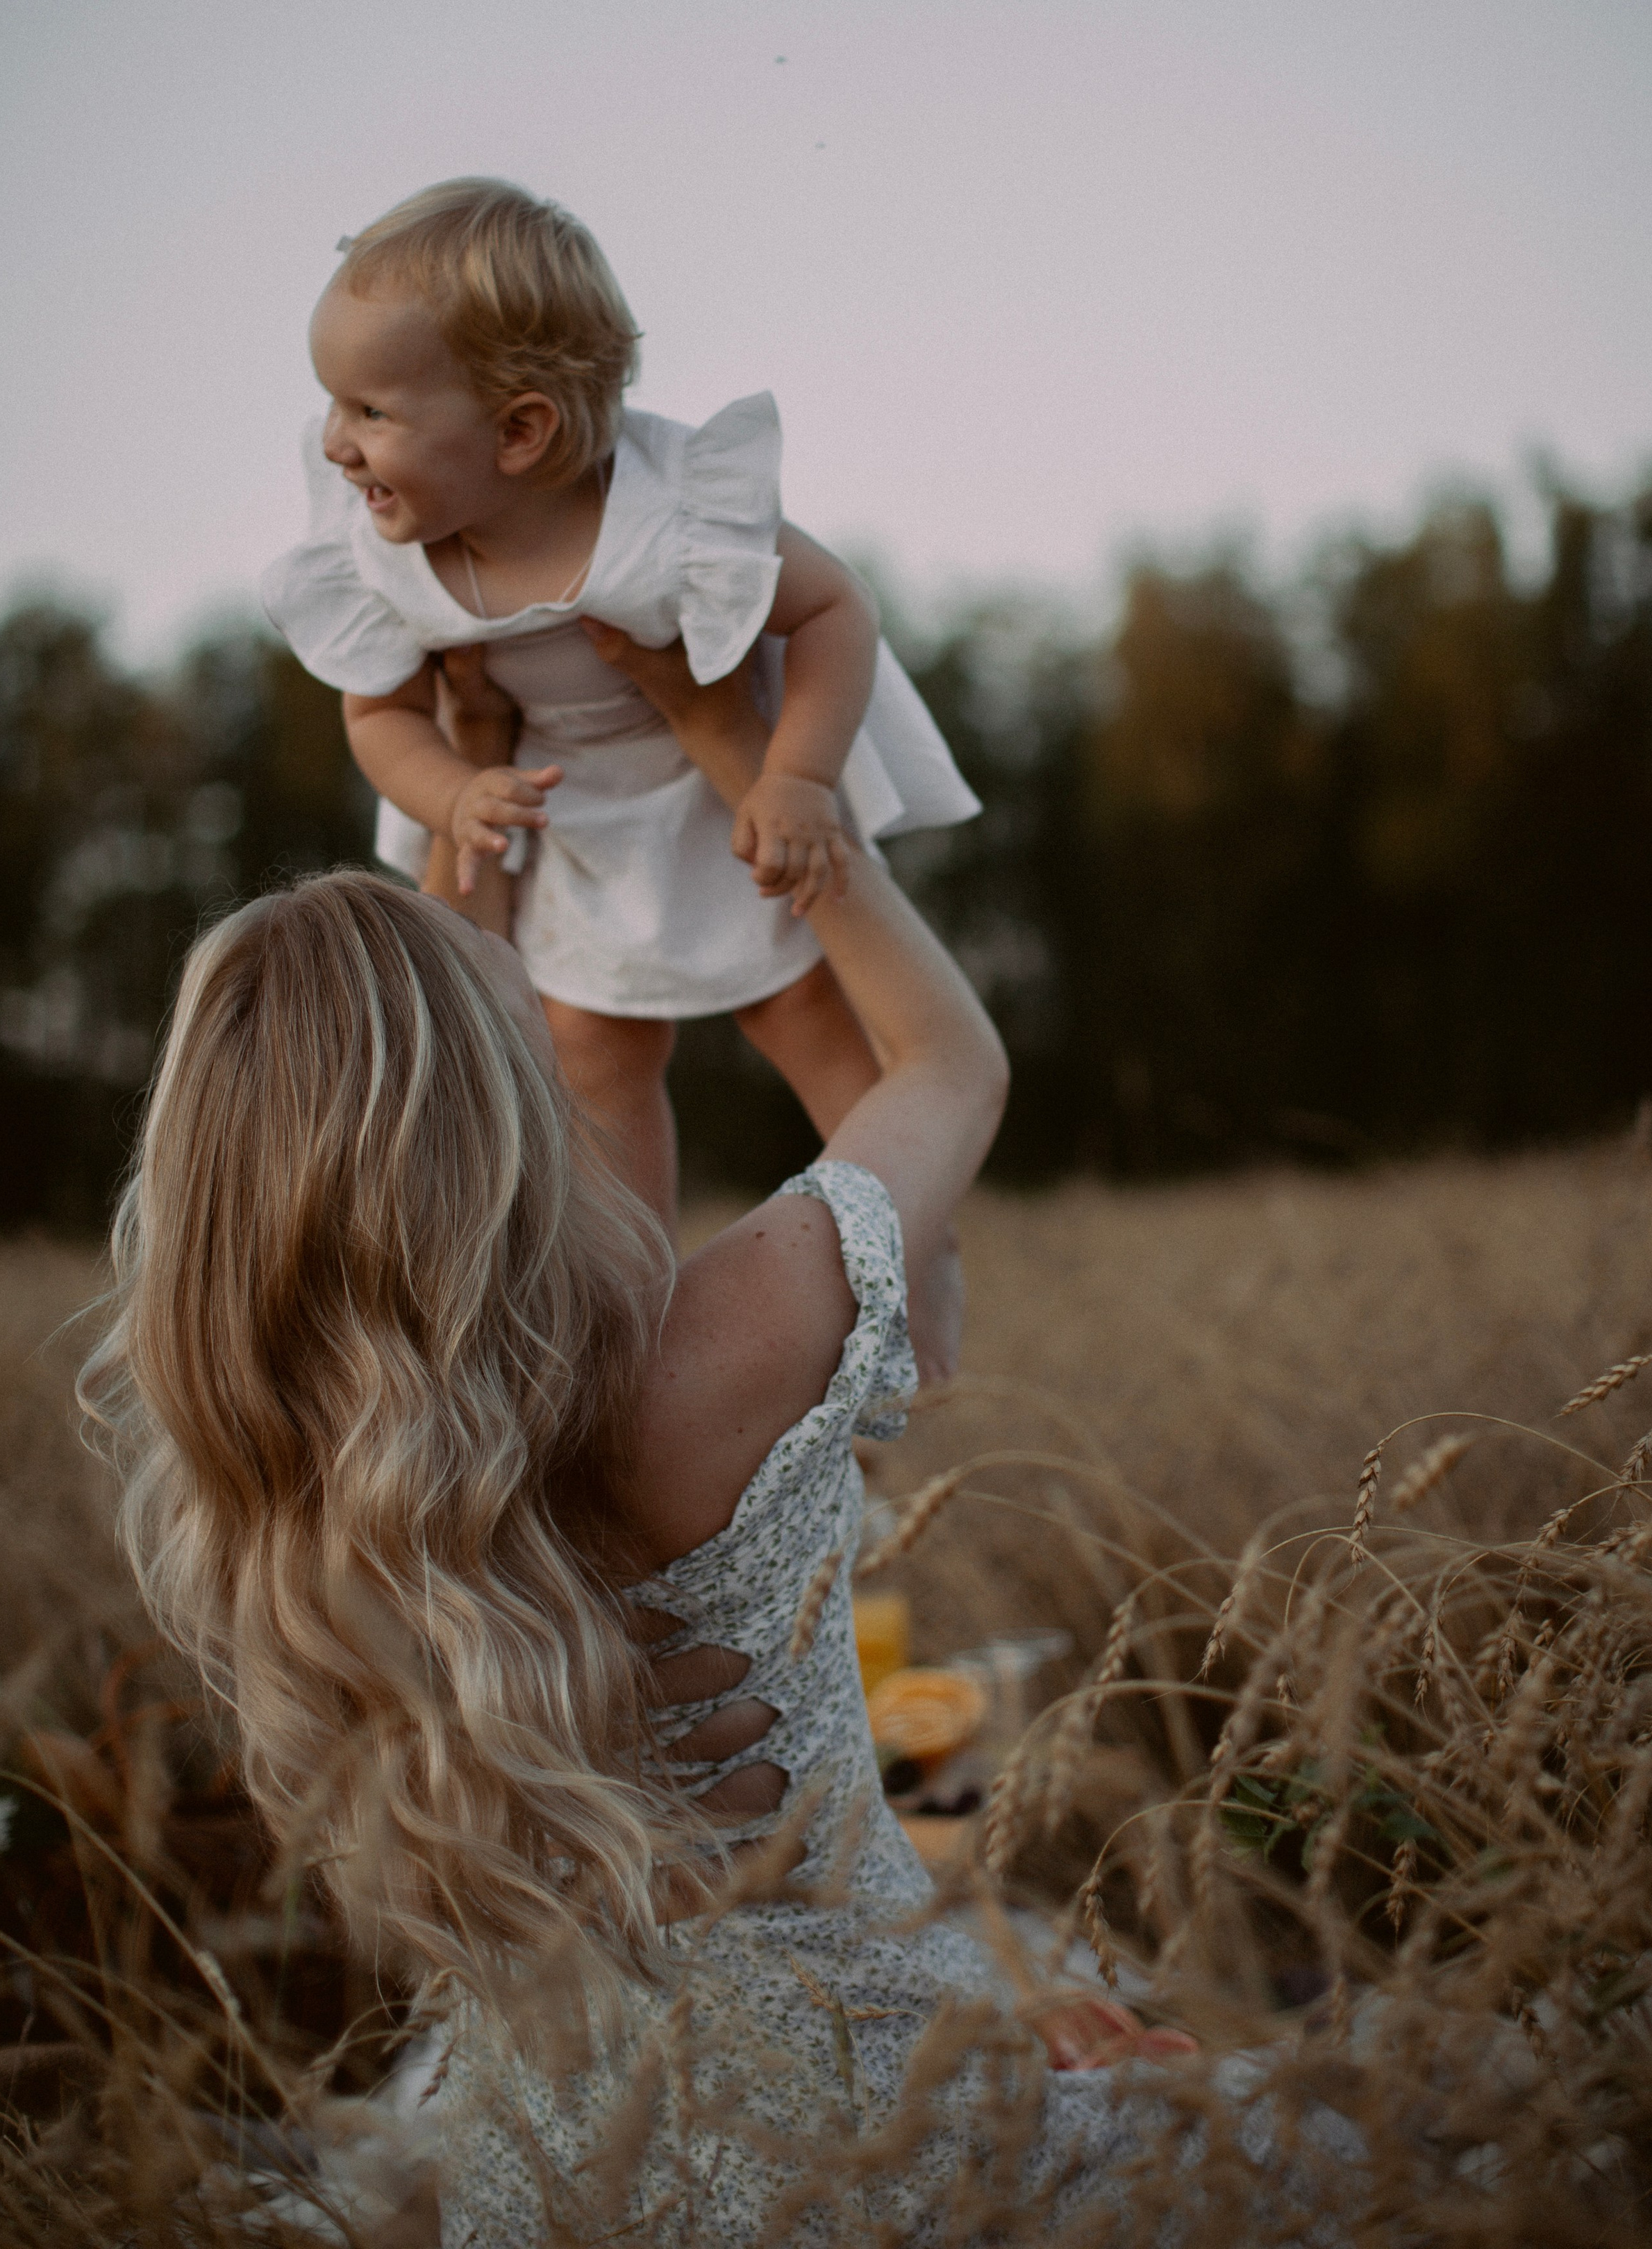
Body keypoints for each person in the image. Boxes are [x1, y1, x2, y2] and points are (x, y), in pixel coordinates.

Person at [79, 641, 1246, 2249]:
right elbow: (947, 1065)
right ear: (491, 1110)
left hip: (556, 2181)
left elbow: (442, 1079)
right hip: (872, 2140)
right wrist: (746, 758)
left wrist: (472, 806)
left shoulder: (307, 1508)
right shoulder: (714, 1353)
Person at [260, 178, 980, 1264]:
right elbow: (380, 715)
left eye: (370, 413)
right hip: (569, 809)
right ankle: (632, 1283)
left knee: (804, 1016)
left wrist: (797, 776)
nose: (333, 444)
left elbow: (836, 609)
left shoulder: (665, 517)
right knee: (591, 1050)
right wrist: (452, 791)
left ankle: (911, 1246)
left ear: (519, 432)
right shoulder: (383, 559)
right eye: (332, 403)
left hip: (721, 789)